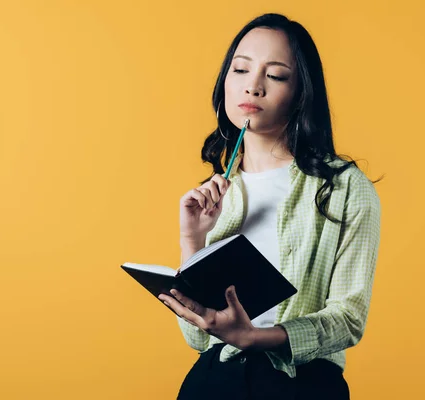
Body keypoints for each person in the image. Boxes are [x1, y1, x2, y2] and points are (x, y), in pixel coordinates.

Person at [157, 13, 381, 400]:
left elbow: (349, 318)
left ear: (301, 93)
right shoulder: (213, 196)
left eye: (275, 76)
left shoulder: (343, 187)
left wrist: (256, 337)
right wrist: (192, 240)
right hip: (212, 382)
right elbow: (197, 337)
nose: (253, 86)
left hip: (301, 385)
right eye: (240, 70)